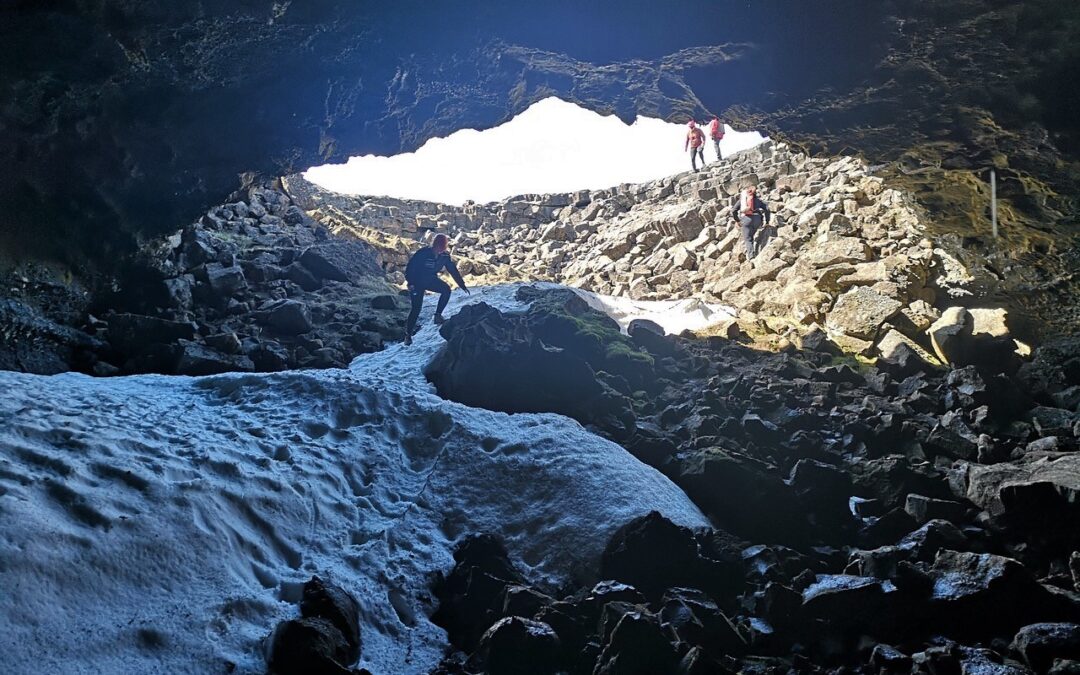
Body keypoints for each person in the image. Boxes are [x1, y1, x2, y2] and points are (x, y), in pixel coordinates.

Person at [403, 233, 469, 345]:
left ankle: (438, 315)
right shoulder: (423, 253)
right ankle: (408, 335)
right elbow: (411, 267)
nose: (442, 249)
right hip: (417, 282)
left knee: (446, 290)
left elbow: (452, 270)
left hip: (431, 280)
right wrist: (410, 282)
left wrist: (462, 285)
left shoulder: (444, 256)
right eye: (441, 246)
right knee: (416, 308)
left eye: (443, 246)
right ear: (436, 244)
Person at [730, 185, 771, 261]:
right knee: (753, 233)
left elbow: (733, 211)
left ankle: (751, 257)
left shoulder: (742, 202)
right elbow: (767, 208)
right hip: (757, 219)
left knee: (748, 239)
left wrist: (738, 220)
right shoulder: (758, 200)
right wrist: (767, 221)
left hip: (746, 220)